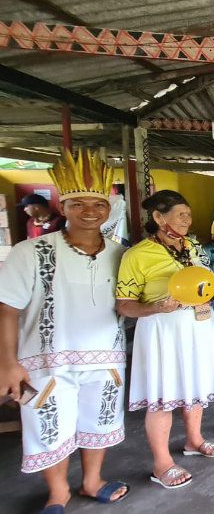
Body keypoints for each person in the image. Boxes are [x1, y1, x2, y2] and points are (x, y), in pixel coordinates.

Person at [0, 149, 129, 512]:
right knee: (48, 427)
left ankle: (92, 481)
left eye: (98, 204)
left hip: (106, 356)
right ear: (63, 206)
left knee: (99, 421)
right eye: (79, 203)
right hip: (45, 360)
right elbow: (6, 308)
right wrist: (7, 363)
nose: (90, 211)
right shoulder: (31, 251)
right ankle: (59, 492)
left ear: (109, 208)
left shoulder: (121, 254)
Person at [116, 190, 214, 490]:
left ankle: (194, 440)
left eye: (189, 215)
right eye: (181, 214)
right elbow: (124, 305)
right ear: (158, 217)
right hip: (162, 330)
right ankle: (162, 462)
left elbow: (206, 280)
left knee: (196, 384)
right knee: (162, 396)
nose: (187, 220)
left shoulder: (192, 246)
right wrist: (155, 307)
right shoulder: (137, 255)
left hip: (198, 324)